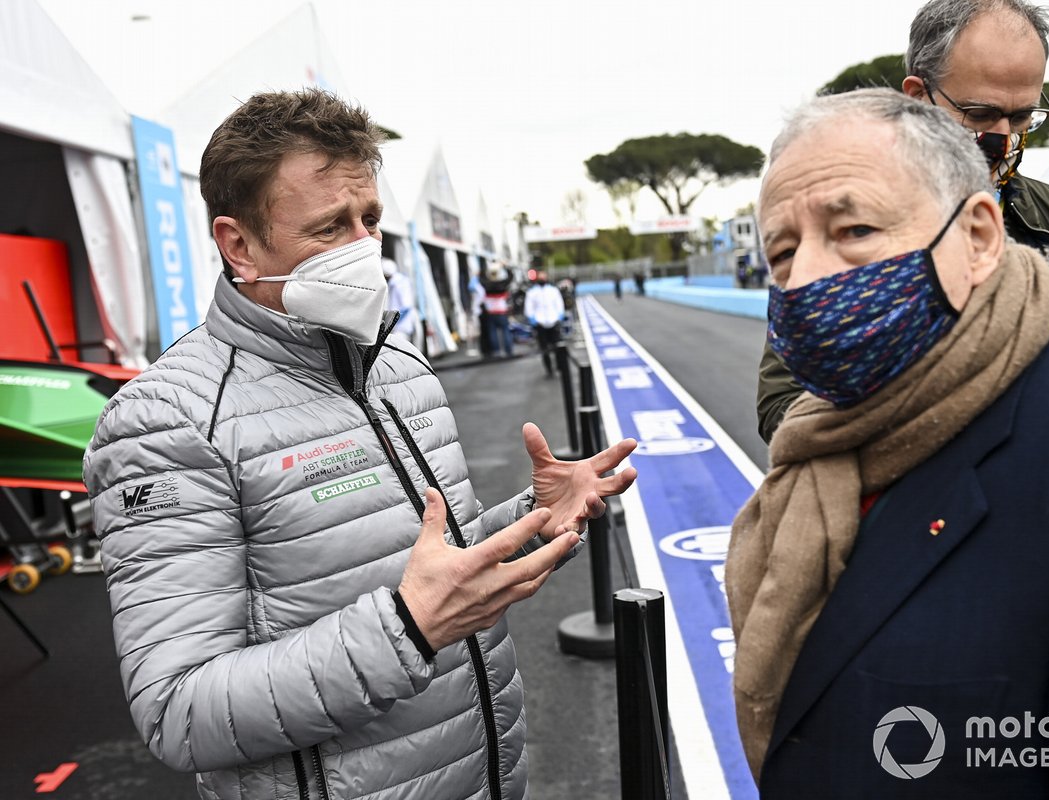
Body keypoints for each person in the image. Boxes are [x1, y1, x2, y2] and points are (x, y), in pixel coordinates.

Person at [81, 88, 638, 800]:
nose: (362, 248)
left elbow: (435, 570)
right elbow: (178, 711)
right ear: (238, 245)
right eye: (328, 227)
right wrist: (405, 631)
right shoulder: (167, 419)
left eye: (369, 219)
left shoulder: (401, 368)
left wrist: (534, 519)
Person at [726, 88, 1049, 797]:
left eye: (853, 230)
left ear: (978, 237)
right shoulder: (818, 447)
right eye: (783, 252)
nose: (807, 279)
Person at [754, 0, 1049, 444]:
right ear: (918, 97)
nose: (1004, 137)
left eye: (1021, 117)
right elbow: (782, 405)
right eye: (978, 114)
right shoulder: (847, 224)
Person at [523, 270, 565, 376]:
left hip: (553, 320)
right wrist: (533, 319)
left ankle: (560, 367)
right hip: (540, 322)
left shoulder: (553, 290)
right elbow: (529, 307)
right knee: (544, 348)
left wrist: (559, 317)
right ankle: (549, 369)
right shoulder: (532, 292)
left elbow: (559, 304)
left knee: (558, 346)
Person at [381, 255, 418, 345]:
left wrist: (393, 321)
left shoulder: (399, 283)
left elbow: (406, 306)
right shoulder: (396, 282)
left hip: (401, 325)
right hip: (398, 324)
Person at [482, 261, 514, 357]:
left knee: (493, 332)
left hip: (491, 312)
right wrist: (505, 267)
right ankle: (508, 350)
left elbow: (481, 278)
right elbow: (510, 278)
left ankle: (496, 350)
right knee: (505, 330)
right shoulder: (502, 284)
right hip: (502, 311)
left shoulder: (487, 285)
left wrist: (484, 268)